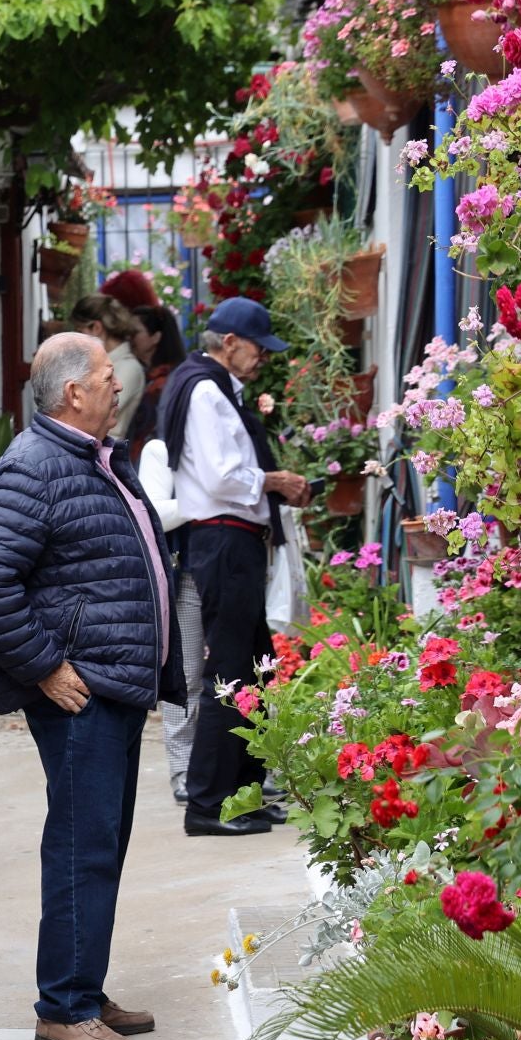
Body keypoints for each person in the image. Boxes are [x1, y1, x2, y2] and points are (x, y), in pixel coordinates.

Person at [0, 331, 185, 1040]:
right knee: (82, 847)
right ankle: (62, 1009)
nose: (118, 383)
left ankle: (83, 985)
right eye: (104, 374)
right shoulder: (34, 465)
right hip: (80, 692)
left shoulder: (93, 455)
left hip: (114, 683)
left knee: (102, 846)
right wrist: (46, 667)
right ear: (72, 393)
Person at [157, 298, 312, 837]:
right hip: (223, 538)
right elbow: (224, 478)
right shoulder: (204, 388)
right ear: (229, 343)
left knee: (254, 667)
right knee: (230, 672)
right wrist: (275, 481)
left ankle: (243, 794)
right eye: (257, 349)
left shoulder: (209, 386)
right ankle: (208, 803)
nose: (262, 360)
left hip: (233, 539)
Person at [137, 436, 199, 806]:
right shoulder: (162, 449)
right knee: (186, 674)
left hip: (234, 568)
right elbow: (155, 512)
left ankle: (255, 767)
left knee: (245, 671)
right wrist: (210, 497)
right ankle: (183, 770)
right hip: (187, 573)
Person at [68, 293, 147, 442]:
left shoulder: (128, 367)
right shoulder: (107, 363)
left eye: (79, 331)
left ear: (97, 328)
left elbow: (92, 415)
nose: (77, 340)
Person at [127, 304, 186, 455]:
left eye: (135, 333)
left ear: (156, 337)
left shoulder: (164, 382)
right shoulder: (146, 374)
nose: (129, 338)